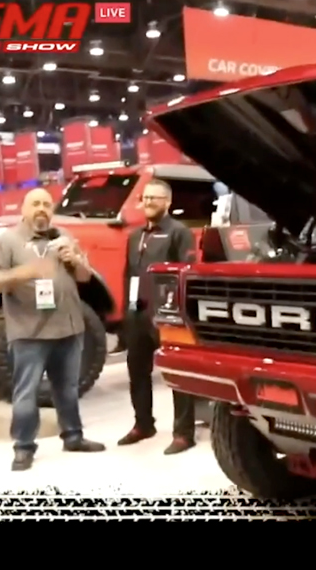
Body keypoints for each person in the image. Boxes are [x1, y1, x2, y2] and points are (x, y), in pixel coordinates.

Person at [0, 188, 106, 471]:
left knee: (68, 389)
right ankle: (24, 447)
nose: (41, 209)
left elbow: (85, 277)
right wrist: (26, 272)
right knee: (26, 392)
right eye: (35, 204)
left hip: (68, 328)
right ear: (24, 210)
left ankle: (73, 437)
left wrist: (76, 260)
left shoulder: (64, 236)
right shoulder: (8, 241)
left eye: (47, 204)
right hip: (29, 332)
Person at [117, 179, 199, 454]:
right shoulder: (135, 236)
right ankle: (143, 424)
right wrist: (126, 311)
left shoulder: (179, 232)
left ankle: (184, 433)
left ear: (168, 202)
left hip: (167, 316)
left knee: (177, 374)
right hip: (137, 314)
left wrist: (176, 313)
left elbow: (186, 274)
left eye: (155, 197)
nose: (149, 202)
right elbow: (128, 274)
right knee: (137, 371)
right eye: (146, 197)